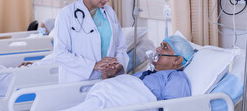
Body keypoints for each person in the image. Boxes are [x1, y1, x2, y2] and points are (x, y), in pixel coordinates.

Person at [60, 35, 194, 111]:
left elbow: (173, 107)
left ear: (178, 60)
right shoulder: (147, 73)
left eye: (165, 47)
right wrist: (108, 76)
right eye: (160, 44)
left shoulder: (176, 78)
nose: (158, 48)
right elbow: (119, 90)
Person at [53, 0, 129, 83]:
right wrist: (93, 65)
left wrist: (118, 65)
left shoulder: (109, 13)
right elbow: (60, 54)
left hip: (107, 81)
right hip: (77, 82)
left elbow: (121, 47)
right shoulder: (67, 14)